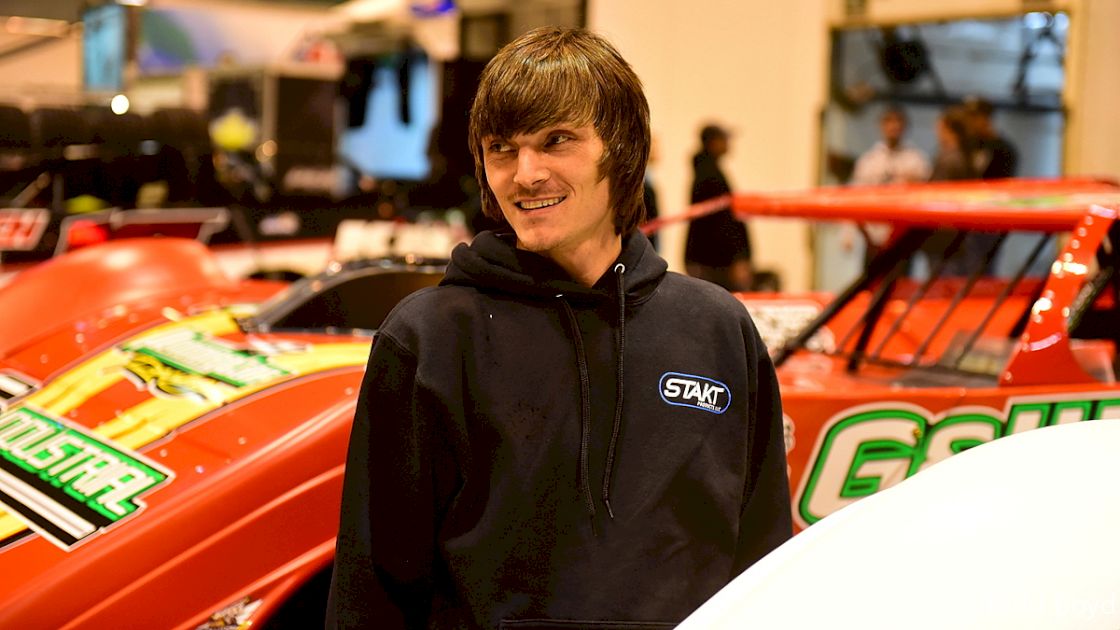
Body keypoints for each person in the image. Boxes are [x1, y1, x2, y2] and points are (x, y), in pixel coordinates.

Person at [326, 26, 792, 630]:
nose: (526, 174)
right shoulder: (430, 339)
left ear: (621, 149)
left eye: (556, 141)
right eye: (502, 148)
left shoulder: (718, 329)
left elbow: (764, 566)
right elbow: (373, 590)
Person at [684, 124, 753, 291]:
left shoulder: (708, 172)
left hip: (711, 260)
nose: (729, 143)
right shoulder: (710, 176)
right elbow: (723, 224)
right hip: (715, 262)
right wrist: (737, 258)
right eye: (725, 139)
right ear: (714, 142)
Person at [850, 105, 931, 186]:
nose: (893, 126)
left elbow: (927, 186)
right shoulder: (868, 161)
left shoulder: (917, 160)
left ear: (905, 125)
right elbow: (857, 187)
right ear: (880, 125)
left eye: (898, 121)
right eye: (888, 121)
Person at [963, 96, 1018, 179]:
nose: (969, 122)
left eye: (974, 117)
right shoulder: (969, 144)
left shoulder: (1003, 150)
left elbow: (1002, 182)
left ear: (987, 118)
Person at [930, 105, 976, 182]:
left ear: (950, 131)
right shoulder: (967, 155)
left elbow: (937, 186)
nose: (936, 133)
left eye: (940, 129)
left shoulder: (948, 159)